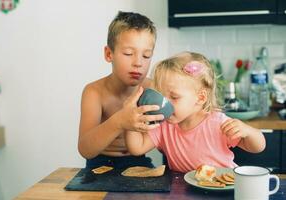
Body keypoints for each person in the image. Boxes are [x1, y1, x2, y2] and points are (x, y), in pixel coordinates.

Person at [125, 51, 266, 173]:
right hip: (183, 190)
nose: (165, 103)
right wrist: (129, 117)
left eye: (174, 97)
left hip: (221, 186)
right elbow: (137, 148)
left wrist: (248, 131)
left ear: (201, 98)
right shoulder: (165, 125)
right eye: (162, 96)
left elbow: (257, 147)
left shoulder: (217, 123)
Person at [78, 11, 164, 170]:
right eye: (128, 53)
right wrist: (119, 121)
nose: (138, 62)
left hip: (139, 161)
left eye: (146, 56)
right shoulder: (94, 92)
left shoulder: (152, 88)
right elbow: (85, 149)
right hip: (99, 165)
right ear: (109, 54)